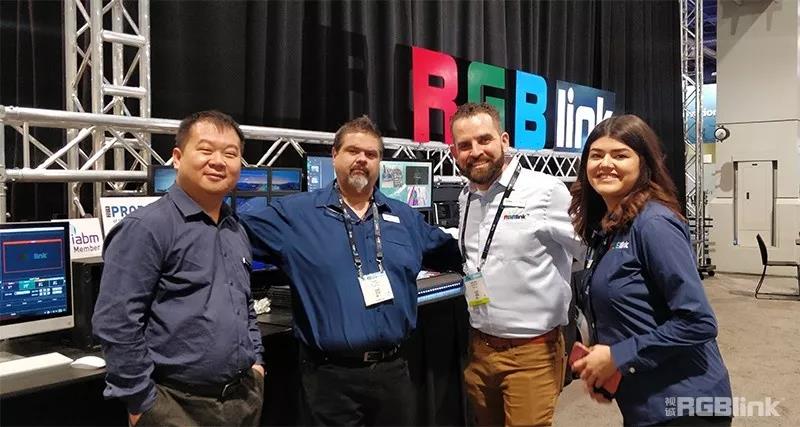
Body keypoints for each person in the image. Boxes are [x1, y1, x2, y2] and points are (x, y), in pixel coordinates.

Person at [239, 116, 461, 426]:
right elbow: (229, 235)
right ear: (334, 155)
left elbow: (458, 253)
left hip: (394, 373)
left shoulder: (404, 217)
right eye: (353, 151)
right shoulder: (295, 215)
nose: (362, 160)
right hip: (329, 380)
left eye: (371, 154)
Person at [93, 111, 265, 426]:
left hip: (242, 399)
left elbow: (245, 304)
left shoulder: (235, 229)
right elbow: (117, 322)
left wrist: (257, 363)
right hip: (175, 407)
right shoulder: (147, 227)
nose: (218, 161)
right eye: (206, 150)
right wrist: (142, 402)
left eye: (230, 154)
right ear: (177, 157)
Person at [568, 114, 732, 426]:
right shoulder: (610, 228)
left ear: (644, 164)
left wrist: (618, 356)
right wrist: (609, 367)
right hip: (644, 403)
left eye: (620, 155)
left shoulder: (654, 224)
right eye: (596, 155)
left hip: (686, 406)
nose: (605, 164)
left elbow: (698, 322)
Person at [450, 102, 583, 426]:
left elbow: (588, 249)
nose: (475, 151)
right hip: (480, 349)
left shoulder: (546, 191)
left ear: (504, 140)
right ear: (454, 152)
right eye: (465, 145)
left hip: (532, 353)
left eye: (484, 140)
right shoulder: (466, 197)